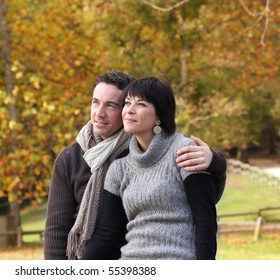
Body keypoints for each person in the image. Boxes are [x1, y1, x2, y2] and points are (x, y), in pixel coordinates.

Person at [44, 71, 226, 260]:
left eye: (112, 105)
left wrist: (216, 161)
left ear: (159, 117)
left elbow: (206, 214)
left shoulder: (183, 151)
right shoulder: (88, 161)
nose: (99, 112)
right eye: (95, 102)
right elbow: (100, 232)